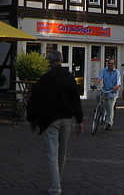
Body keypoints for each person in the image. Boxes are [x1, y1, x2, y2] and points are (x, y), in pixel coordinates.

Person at [26, 50, 83, 195]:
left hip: (50, 119)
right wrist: (79, 120)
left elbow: (34, 100)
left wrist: (31, 119)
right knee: (62, 154)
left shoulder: (45, 79)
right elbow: (75, 98)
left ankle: (55, 187)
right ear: (62, 61)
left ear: (50, 62)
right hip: (66, 119)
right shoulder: (69, 77)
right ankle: (57, 182)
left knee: (52, 154)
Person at [95, 58, 121, 130]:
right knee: (98, 96)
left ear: (114, 65)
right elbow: (99, 78)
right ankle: (100, 109)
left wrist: (114, 89)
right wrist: (95, 85)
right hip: (105, 89)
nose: (110, 65)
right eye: (109, 63)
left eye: (112, 63)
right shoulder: (104, 70)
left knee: (110, 106)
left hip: (113, 92)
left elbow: (118, 84)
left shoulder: (117, 72)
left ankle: (109, 122)